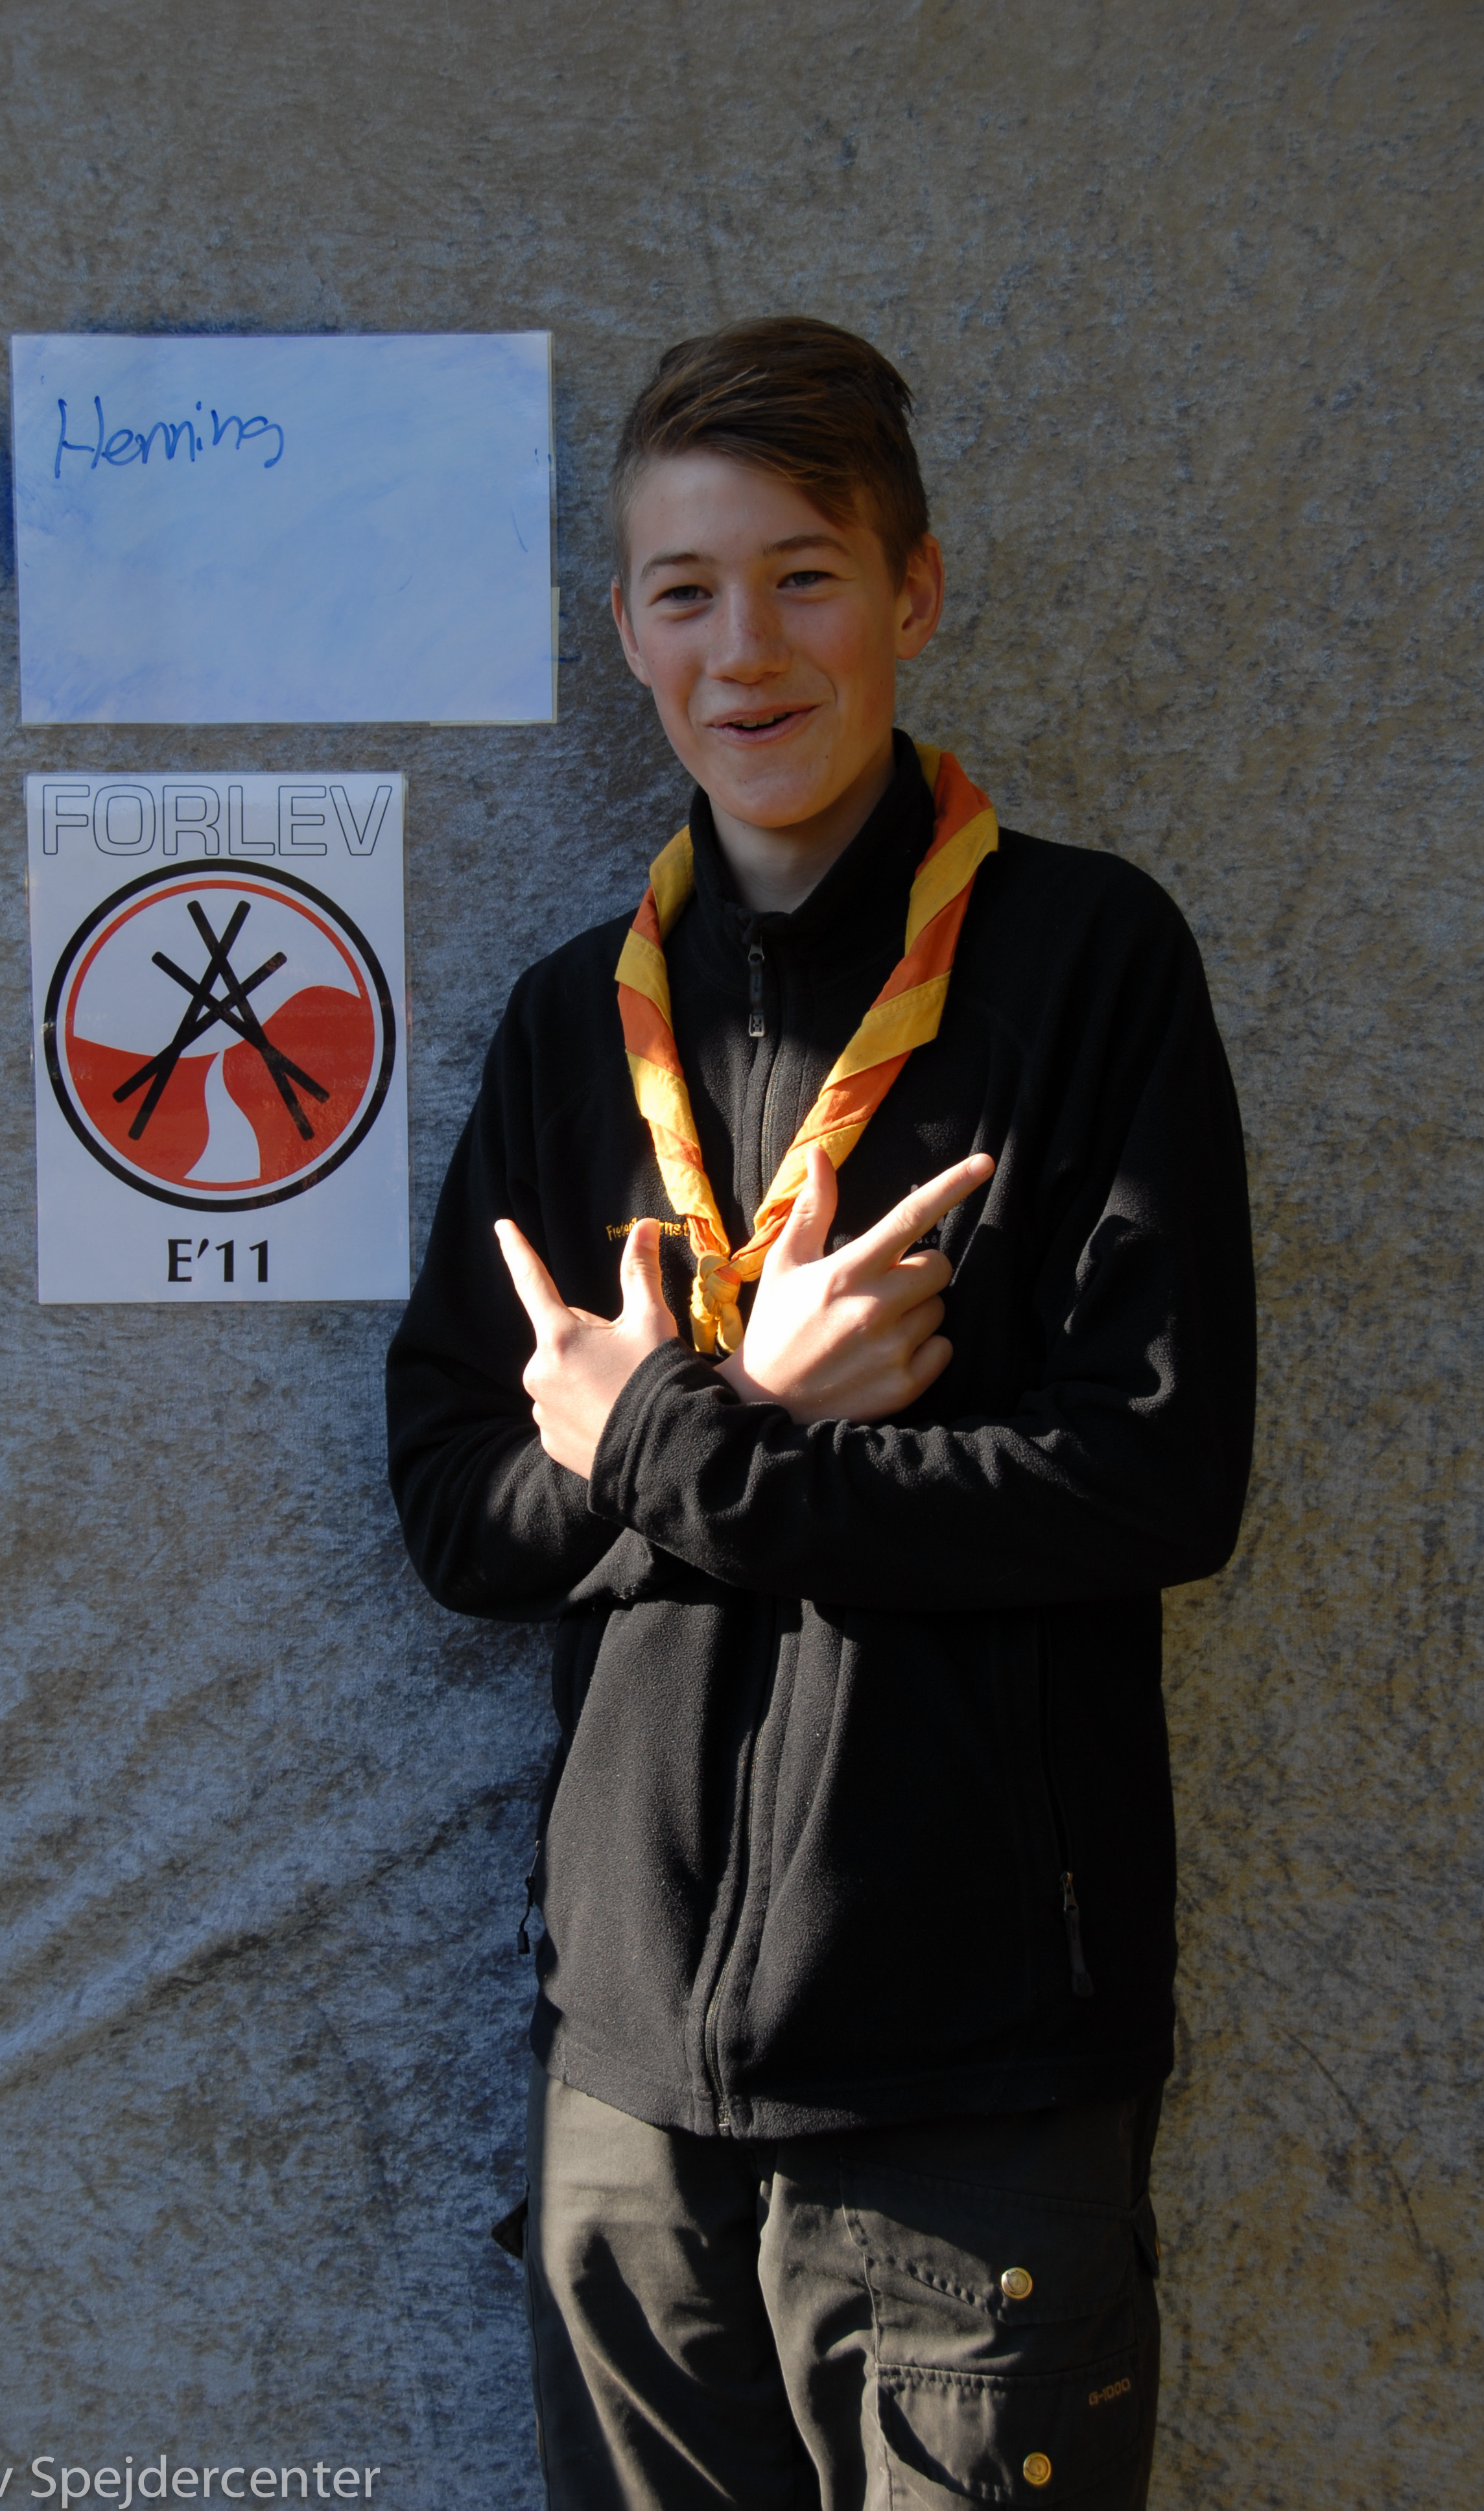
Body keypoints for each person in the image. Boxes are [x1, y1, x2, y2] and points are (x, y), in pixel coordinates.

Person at [385, 317, 1255, 2510]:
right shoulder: (572, 1028)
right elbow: (455, 1508)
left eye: (804, 578)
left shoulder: (1087, 965)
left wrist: (672, 1442)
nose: (745, 650)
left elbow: (1155, 1481)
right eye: (686, 591)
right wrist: (751, 1402)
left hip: (973, 2091)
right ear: (624, 631)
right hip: (630, 2090)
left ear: (914, 596)